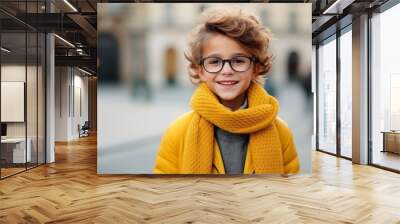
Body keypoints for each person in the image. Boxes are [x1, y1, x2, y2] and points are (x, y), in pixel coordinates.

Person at [153, 7, 299, 174]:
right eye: (214, 62)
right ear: (201, 71)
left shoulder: (281, 132)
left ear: (256, 69)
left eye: (238, 60)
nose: (227, 70)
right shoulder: (177, 132)